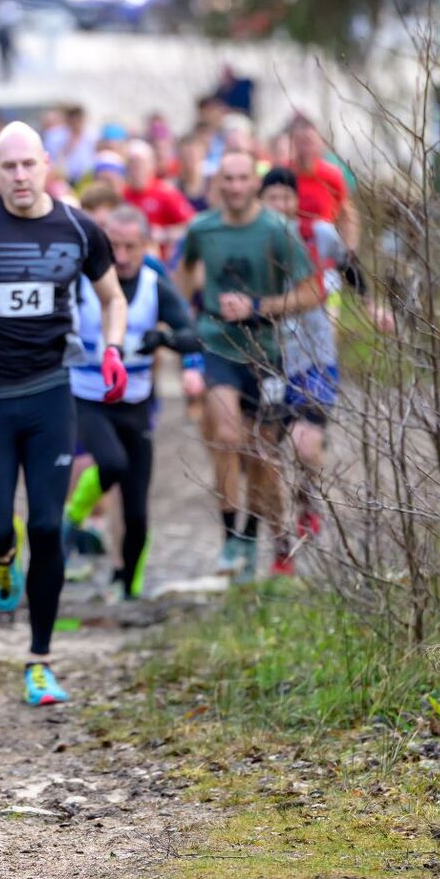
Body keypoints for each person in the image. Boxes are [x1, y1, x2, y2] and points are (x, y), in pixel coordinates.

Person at [0, 122, 129, 706]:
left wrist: (111, 349)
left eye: (27, 165)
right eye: (7, 166)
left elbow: (112, 296)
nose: (18, 176)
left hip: (49, 393)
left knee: (46, 525)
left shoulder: (78, 227)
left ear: (46, 166)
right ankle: (1, 560)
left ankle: (39, 660)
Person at [176, 150, 320, 581]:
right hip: (220, 344)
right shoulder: (203, 228)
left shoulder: (277, 230)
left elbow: (312, 292)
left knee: (263, 456)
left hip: (268, 353)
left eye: (243, 178)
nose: (236, 187)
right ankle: (229, 538)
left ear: (253, 184)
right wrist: (188, 318)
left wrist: (260, 306)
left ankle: (267, 540)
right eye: (228, 179)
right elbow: (183, 274)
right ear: (217, 184)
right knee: (224, 435)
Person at [64, 207, 200, 599]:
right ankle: (73, 517)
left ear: (146, 247)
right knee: (111, 462)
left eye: (130, 247)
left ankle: (129, 587)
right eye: (114, 246)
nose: (120, 256)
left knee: (137, 509)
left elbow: (191, 334)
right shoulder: (81, 283)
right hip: (86, 396)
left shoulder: (155, 285)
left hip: (135, 400)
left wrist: (166, 340)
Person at [260, 167, 392, 538]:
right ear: (262, 202)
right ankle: (276, 535)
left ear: (294, 202)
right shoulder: (253, 242)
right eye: (271, 198)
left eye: (286, 197)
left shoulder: (317, 234)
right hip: (268, 360)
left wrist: (370, 305)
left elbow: (349, 266)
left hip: (315, 356)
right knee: (266, 453)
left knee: (306, 446)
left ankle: (307, 503)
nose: (279, 205)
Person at [289, 116, 360, 252]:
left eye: (309, 142)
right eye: (300, 142)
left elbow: (347, 214)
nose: (305, 149)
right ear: (293, 144)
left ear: (319, 143)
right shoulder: (285, 174)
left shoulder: (331, 175)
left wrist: (349, 249)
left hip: (323, 246)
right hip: (292, 245)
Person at [124, 139, 194, 263]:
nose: (136, 169)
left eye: (140, 163)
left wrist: (165, 234)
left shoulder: (165, 193)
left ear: (151, 165)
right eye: (132, 164)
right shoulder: (122, 194)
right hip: (126, 261)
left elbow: (192, 225)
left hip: (160, 263)